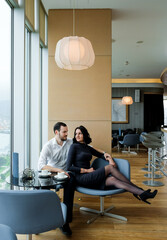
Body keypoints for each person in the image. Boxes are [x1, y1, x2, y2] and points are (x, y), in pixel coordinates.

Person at [38, 122, 112, 235]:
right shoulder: (48, 146)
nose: (67, 134)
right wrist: (59, 170)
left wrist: (105, 153)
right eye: (64, 132)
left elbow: (89, 147)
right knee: (42, 190)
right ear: (56, 132)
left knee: (70, 183)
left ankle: (65, 222)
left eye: (67, 131)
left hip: (68, 173)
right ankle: (41, 221)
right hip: (54, 174)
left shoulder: (70, 141)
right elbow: (41, 165)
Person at [67, 125, 158, 204]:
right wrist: (86, 170)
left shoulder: (87, 147)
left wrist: (110, 158)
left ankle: (139, 192)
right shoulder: (74, 146)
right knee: (110, 168)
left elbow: (102, 155)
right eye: (76, 134)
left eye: (80, 133)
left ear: (84, 135)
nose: (77, 136)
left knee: (113, 179)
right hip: (82, 177)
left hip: (90, 176)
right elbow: (69, 167)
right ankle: (140, 191)